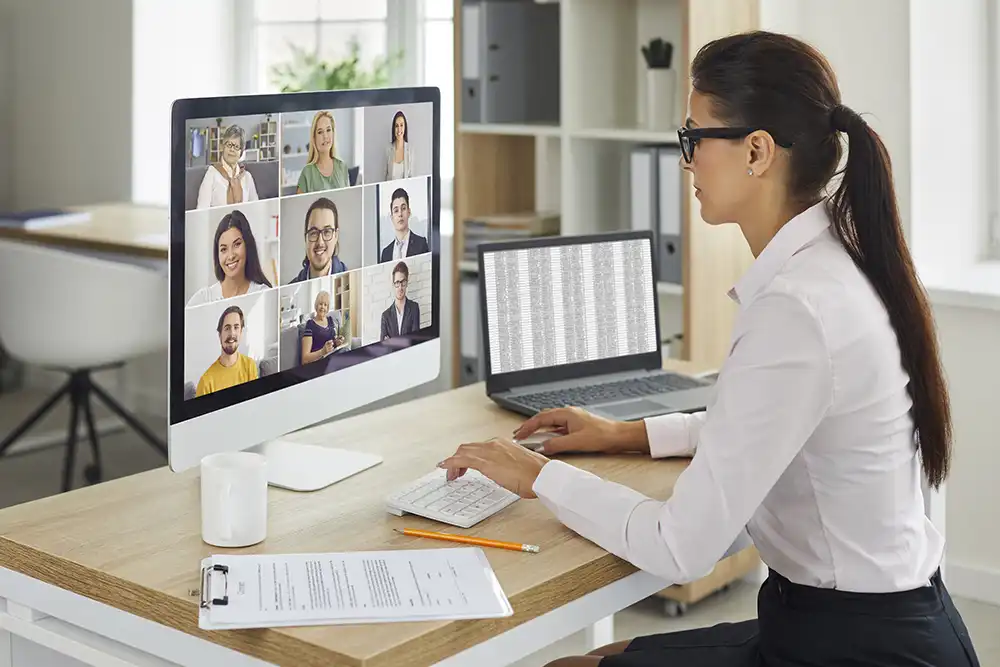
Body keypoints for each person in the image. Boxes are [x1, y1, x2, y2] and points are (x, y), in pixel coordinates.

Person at [438, 31, 981, 667]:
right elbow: (771, 424)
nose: (686, 161)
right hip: (866, 622)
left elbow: (681, 547)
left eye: (693, 139)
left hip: (857, 648)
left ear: (757, 152)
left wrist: (538, 475)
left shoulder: (796, 308)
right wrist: (628, 436)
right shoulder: (832, 262)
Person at [187, 210, 272, 306]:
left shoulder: (264, 295)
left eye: (237, 244)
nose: (231, 256)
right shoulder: (203, 299)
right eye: (223, 249)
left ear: (248, 246)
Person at [196, 306, 258, 397]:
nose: (232, 334)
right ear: (220, 335)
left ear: (241, 332)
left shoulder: (250, 366)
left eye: (236, 327)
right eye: (227, 328)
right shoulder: (206, 382)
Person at [196, 124, 259, 209]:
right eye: (229, 145)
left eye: (236, 147)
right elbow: (201, 210)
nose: (232, 149)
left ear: (241, 152)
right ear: (222, 147)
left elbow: (256, 208)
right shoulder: (212, 174)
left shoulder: (247, 177)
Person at [290, 197, 348, 283]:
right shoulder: (291, 290)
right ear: (305, 238)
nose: (320, 242)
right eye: (314, 233)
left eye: (327, 232)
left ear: (336, 236)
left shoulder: (352, 283)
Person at [296, 111, 350, 193]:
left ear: (333, 133)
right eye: (320, 132)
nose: (325, 136)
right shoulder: (307, 172)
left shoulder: (342, 167)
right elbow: (299, 204)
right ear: (314, 138)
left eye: (328, 130)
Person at [379, 188, 429, 263]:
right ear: (392, 217)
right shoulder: (386, 253)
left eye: (403, 208)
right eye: (396, 211)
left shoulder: (421, 244)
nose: (400, 214)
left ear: (409, 212)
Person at [300, 291, 344, 364]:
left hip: (332, 358)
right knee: (345, 352)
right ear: (316, 305)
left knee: (345, 351)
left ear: (328, 308)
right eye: (320, 304)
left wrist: (337, 342)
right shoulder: (310, 324)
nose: (323, 307)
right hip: (319, 362)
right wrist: (322, 352)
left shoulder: (330, 320)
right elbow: (304, 359)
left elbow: (332, 344)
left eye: (325, 305)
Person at [380, 261, 420, 340]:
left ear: (407, 283)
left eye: (403, 282)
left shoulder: (414, 308)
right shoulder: (385, 316)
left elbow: (415, 340)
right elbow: (383, 346)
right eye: (397, 283)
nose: (400, 287)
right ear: (393, 284)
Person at [383, 110, 414, 180]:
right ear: (393, 129)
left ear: (405, 128)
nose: (399, 129)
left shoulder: (410, 150)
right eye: (396, 126)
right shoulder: (388, 150)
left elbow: (411, 178)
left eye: (401, 125)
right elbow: (384, 178)